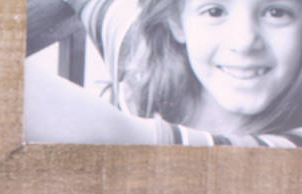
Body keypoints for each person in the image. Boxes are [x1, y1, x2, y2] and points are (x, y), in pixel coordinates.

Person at [25, 0, 302, 145]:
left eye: (276, 12)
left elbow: (116, 139)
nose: (244, 42)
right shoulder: (138, 57)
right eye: (214, 11)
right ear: (176, 22)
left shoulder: (293, 145)